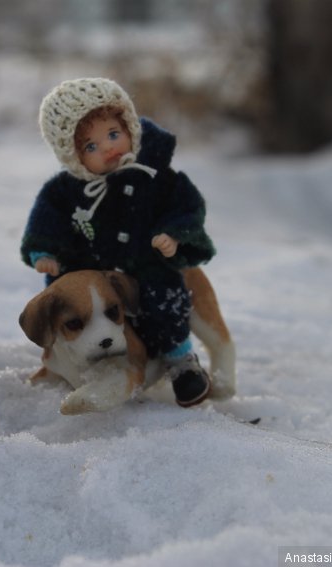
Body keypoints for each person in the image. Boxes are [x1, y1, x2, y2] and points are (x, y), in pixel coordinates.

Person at [20, 78, 216, 407]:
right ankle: (61, 356)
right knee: (64, 298)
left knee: (163, 298)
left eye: (114, 134)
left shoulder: (154, 176)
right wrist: (44, 252)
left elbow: (185, 206)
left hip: (145, 262)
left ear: (129, 127)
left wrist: (173, 234)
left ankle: (179, 361)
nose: (109, 148)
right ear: (73, 157)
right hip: (86, 268)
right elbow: (46, 220)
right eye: (91, 147)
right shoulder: (64, 191)